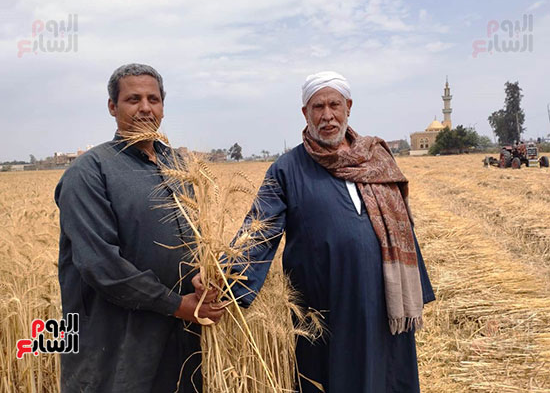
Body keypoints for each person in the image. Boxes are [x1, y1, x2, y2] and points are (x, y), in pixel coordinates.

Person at [226, 71, 435, 392]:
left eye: (334, 105)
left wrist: (417, 284)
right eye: (317, 107)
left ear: (348, 106)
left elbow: (400, 226)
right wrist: (227, 279)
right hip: (326, 308)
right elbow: (259, 230)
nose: (327, 115)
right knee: (331, 377)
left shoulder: (377, 158)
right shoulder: (287, 169)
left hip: (384, 302)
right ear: (305, 114)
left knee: (388, 376)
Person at [55, 63, 223, 393]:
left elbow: (201, 238)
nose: (145, 108)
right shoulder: (90, 172)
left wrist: (207, 274)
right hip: (118, 345)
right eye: (133, 99)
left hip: (183, 342)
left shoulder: (180, 166)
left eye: (153, 99)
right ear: (112, 107)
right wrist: (178, 305)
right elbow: (101, 265)